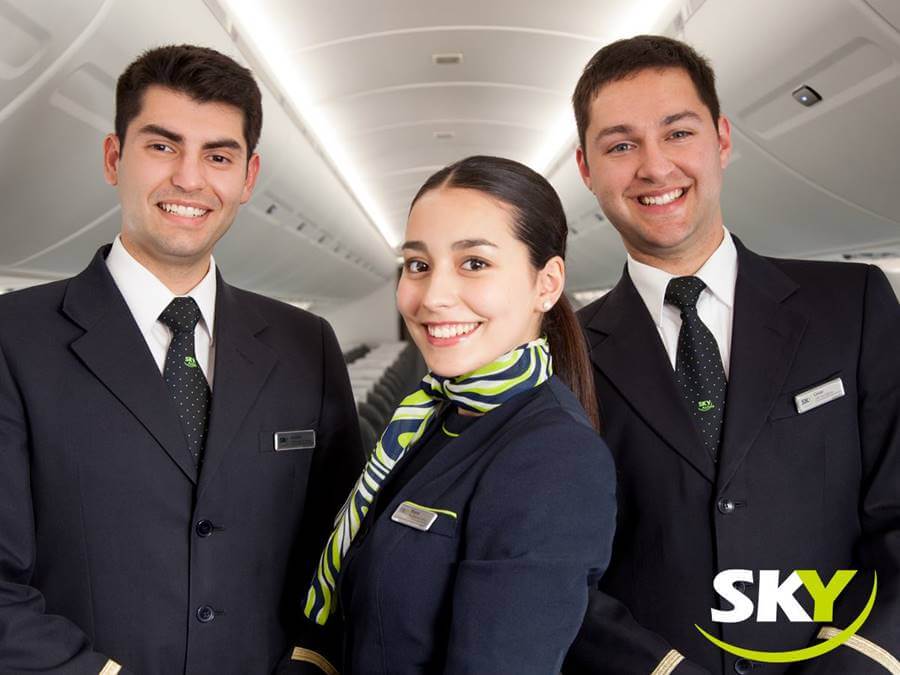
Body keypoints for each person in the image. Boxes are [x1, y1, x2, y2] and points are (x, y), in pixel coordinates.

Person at [0, 45, 363, 675]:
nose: (190, 180)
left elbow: (341, 552)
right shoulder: (13, 340)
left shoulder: (308, 345)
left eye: (218, 156)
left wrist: (311, 666)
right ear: (115, 159)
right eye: (162, 146)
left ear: (247, 179)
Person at [563, 35, 900, 675]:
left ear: (721, 140)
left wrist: (857, 663)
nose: (655, 168)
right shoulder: (561, 355)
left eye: (678, 133)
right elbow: (560, 566)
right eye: (621, 145)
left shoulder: (852, 305)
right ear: (586, 167)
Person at [300, 155, 617, 673]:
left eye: (474, 263)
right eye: (418, 265)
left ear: (547, 283)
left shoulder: (554, 458)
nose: (433, 296)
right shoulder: (434, 419)